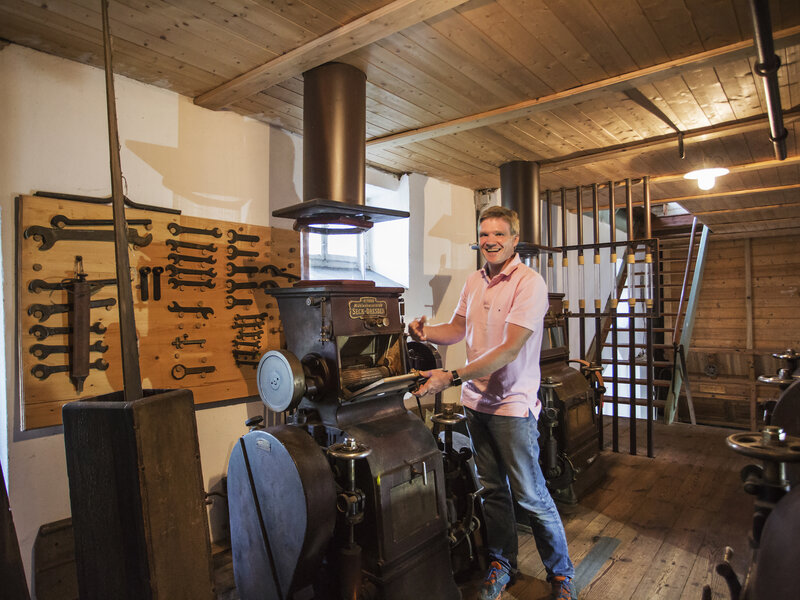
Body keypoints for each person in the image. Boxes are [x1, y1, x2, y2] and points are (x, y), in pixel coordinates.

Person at [409, 205, 574, 600]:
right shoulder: (474, 281)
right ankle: (503, 562)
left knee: (531, 496)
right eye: (484, 234)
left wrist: (450, 376)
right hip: (476, 405)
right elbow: (458, 327)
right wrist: (426, 332)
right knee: (494, 491)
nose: (490, 241)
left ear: (514, 240)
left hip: (512, 408)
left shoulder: (529, 283)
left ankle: (561, 574)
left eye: (499, 234)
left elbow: (510, 348)